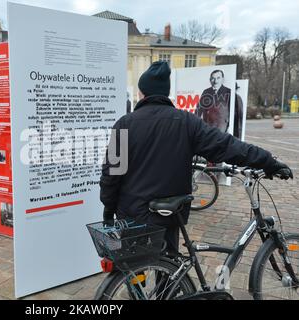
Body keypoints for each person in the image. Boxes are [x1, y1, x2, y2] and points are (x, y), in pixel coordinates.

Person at [100, 61, 293, 255]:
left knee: (134, 264)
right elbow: (228, 146)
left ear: (142, 93)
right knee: (169, 266)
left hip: (133, 213)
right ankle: (169, 283)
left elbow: (112, 172)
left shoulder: (124, 124)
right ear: (165, 93)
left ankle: (137, 281)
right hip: (168, 213)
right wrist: (268, 162)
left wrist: (109, 208)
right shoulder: (186, 122)